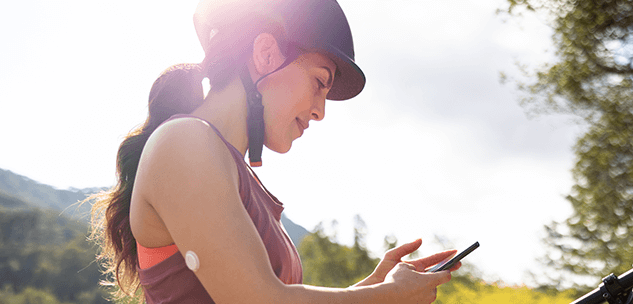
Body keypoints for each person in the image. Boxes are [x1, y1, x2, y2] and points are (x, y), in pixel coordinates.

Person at [88, 0, 461, 303]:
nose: (320, 111)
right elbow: (260, 300)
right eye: (319, 82)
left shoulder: (225, 167)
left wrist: (371, 288)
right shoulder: (184, 142)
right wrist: (385, 297)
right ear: (266, 54)